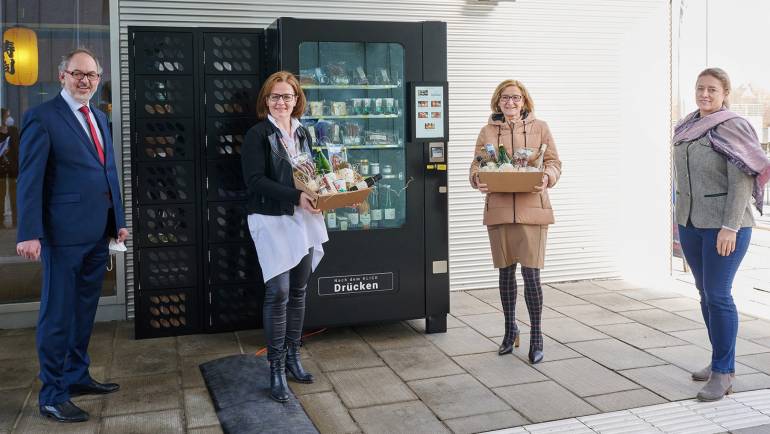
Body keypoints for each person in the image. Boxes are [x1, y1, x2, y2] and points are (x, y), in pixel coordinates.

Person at [16, 48, 128, 422]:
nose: (85, 81)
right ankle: (52, 394)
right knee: (58, 315)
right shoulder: (42, 118)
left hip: (97, 234)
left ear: (98, 80)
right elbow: (29, 180)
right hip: (61, 236)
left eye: (92, 75)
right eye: (77, 74)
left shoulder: (99, 116)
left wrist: (119, 221)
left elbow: (108, 171)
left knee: (83, 312)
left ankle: (77, 377)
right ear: (62, 75)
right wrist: (29, 232)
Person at [673, 67, 770, 402]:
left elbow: (743, 179)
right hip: (690, 224)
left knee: (718, 295)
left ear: (725, 93)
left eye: (712, 89)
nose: (705, 95)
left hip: (725, 227)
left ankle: (724, 373)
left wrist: (729, 227)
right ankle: (718, 361)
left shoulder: (733, 125)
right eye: (700, 88)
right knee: (705, 294)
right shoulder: (688, 125)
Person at [241, 71, 328, 403]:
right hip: (270, 218)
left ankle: (293, 357)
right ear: (267, 101)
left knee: (300, 290)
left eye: (287, 97)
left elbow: (309, 173)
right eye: (275, 97)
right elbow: (255, 181)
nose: (281, 102)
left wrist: (322, 194)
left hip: (303, 217)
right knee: (278, 292)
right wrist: (296, 197)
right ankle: (275, 369)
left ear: (296, 100)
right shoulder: (257, 134)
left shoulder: (303, 132)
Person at [469, 79, 561, 364]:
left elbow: (554, 163)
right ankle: (510, 330)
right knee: (505, 274)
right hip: (498, 210)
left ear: (525, 101)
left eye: (516, 98)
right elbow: (476, 165)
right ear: (497, 102)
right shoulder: (486, 131)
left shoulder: (540, 128)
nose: (510, 103)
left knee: (531, 276)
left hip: (532, 210)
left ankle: (537, 335)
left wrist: (547, 178)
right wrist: (477, 180)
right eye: (505, 98)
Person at [0, 108, 19, 228]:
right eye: (7, 116)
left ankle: (16, 221)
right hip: (0, 170)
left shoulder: (14, 130)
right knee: (0, 196)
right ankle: (0, 221)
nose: (9, 119)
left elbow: (18, 149)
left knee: (14, 196)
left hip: (13, 169)